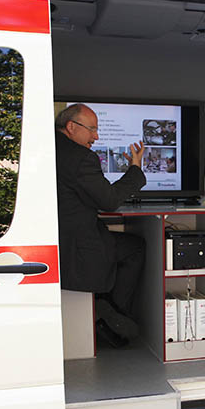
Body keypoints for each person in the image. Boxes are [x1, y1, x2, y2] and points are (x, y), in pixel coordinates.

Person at [55, 103, 146, 347]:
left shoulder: (51, 148)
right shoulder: (81, 158)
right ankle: (112, 313)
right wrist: (135, 169)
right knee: (135, 247)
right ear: (72, 127)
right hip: (79, 247)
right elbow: (109, 201)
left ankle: (108, 308)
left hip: (59, 240)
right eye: (92, 129)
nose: (96, 137)